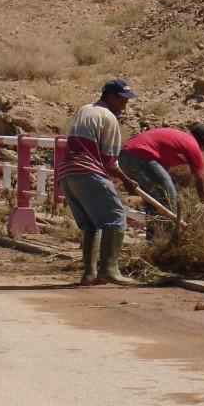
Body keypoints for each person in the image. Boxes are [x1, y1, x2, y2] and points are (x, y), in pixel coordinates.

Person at [57, 79, 141, 286]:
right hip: (88, 171)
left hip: (67, 173)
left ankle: (89, 274)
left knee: (91, 224)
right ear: (111, 97)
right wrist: (127, 182)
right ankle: (109, 270)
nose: (125, 106)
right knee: (115, 216)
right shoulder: (108, 118)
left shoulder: (85, 110)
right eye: (123, 101)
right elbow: (110, 162)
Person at [118, 123, 204, 238]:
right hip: (141, 157)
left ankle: (152, 241)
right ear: (203, 144)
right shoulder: (194, 147)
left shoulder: (180, 138)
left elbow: (159, 167)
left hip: (123, 156)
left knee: (154, 202)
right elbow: (201, 189)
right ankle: (166, 240)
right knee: (168, 197)